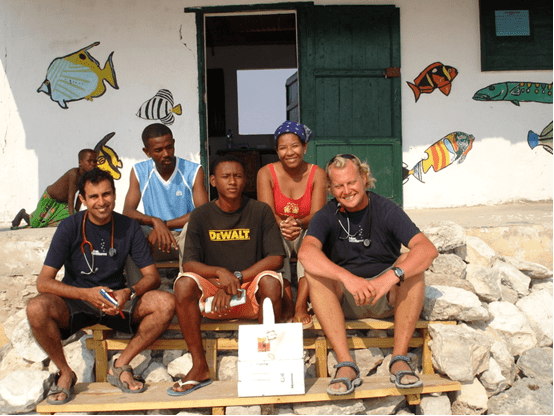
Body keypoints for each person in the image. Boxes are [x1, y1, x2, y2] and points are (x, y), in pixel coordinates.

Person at [26, 168, 175, 405]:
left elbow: (152, 277)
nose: (101, 202)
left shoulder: (128, 226)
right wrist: (86, 294)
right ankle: (65, 372)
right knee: (36, 308)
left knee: (165, 302)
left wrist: (129, 292)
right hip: (77, 302)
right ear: (83, 200)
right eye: (93, 196)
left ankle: (121, 365)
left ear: (114, 195)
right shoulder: (69, 226)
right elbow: (43, 282)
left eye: (106, 194)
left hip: (117, 302)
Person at [298, 154, 438, 395]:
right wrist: (348, 278)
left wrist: (388, 279)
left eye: (351, 182)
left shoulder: (386, 208)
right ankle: (346, 364)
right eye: (339, 186)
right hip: (345, 299)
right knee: (314, 271)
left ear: (364, 178)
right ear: (330, 188)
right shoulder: (327, 214)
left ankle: (399, 358)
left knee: (410, 263)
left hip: (387, 296)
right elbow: (305, 253)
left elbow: (427, 249)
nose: (346, 191)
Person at [168, 155, 285, 396]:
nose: (232, 181)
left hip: (249, 288)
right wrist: (221, 276)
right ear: (213, 181)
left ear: (245, 180)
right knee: (183, 284)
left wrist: (237, 278)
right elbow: (189, 263)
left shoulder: (260, 211)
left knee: (271, 282)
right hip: (214, 293)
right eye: (226, 176)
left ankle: (265, 363)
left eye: (238, 176)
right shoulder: (201, 215)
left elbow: (276, 258)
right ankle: (199, 365)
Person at [257, 121, 326, 328]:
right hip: (278, 227)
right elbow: (266, 212)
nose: (289, 152)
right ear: (276, 151)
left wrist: (298, 223)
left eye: (295, 146)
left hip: (305, 226)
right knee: (273, 239)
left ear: (305, 147)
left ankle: (300, 305)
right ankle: (287, 303)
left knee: (312, 241)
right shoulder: (266, 173)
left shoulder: (317, 173)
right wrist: (283, 225)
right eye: (283, 147)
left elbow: (318, 214)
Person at [123, 123, 209, 280]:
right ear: (147, 152)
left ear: (174, 143)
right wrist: (155, 222)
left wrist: (163, 225)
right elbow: (128, 211)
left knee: (192, 227)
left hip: (183, 238)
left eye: (169, 147)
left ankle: (187, 286)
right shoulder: (139, 171)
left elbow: (203, 212)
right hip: (154, 238)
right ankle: (138, 289)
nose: (166, 153)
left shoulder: (193, 170)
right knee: (129, 230)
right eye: (158, 150)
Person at [11, 149, 98, 229]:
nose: (92, 164)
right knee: (35, 223)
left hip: (62, 204)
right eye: (89, 161)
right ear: (80, 162)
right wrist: (73, 218)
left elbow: (80, 197)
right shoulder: (74, 174)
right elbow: (71, 197)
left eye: (95, 161)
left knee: (60, 221)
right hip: (50, 198)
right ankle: (23, 214)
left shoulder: (86, 178)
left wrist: (76, 214)